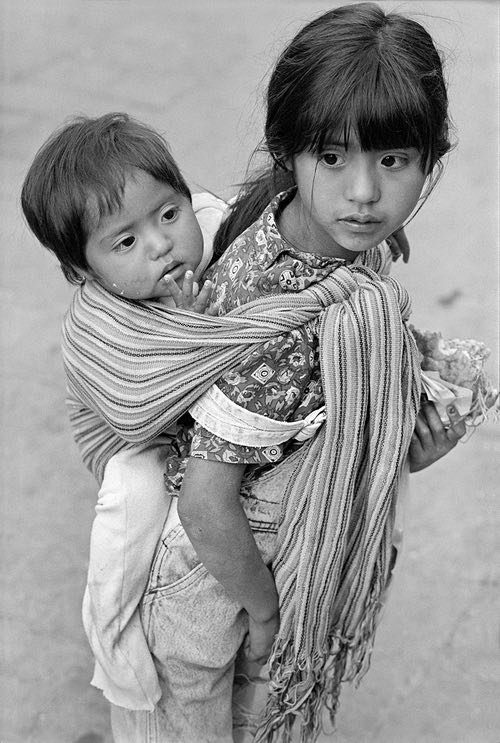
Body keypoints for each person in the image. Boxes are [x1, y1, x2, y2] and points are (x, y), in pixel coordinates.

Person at [105, 4, 466, 742]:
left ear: (431, 157)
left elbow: (320, 429)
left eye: (391, 160)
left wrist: (403, 442)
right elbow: (209, 506)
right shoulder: (282, 315)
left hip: (257, 550)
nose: (362, 192)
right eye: (332, 158)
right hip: (218, 582)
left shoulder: (336, 241)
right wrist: (270, 612)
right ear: (290, 153)